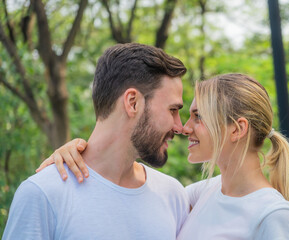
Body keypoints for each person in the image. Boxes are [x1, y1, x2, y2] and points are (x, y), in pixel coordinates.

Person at [35, 73, 289, 239]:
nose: (184, 127)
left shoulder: (273, 214)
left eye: (198, 117)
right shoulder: (200, 194)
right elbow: (129, 202)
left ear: (237, 129)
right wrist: (81, 150)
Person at [2, 43, 190, 239]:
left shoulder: (173, 195)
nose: (180, 126)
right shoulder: (43, 194)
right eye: (173, 110)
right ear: (132, 102)